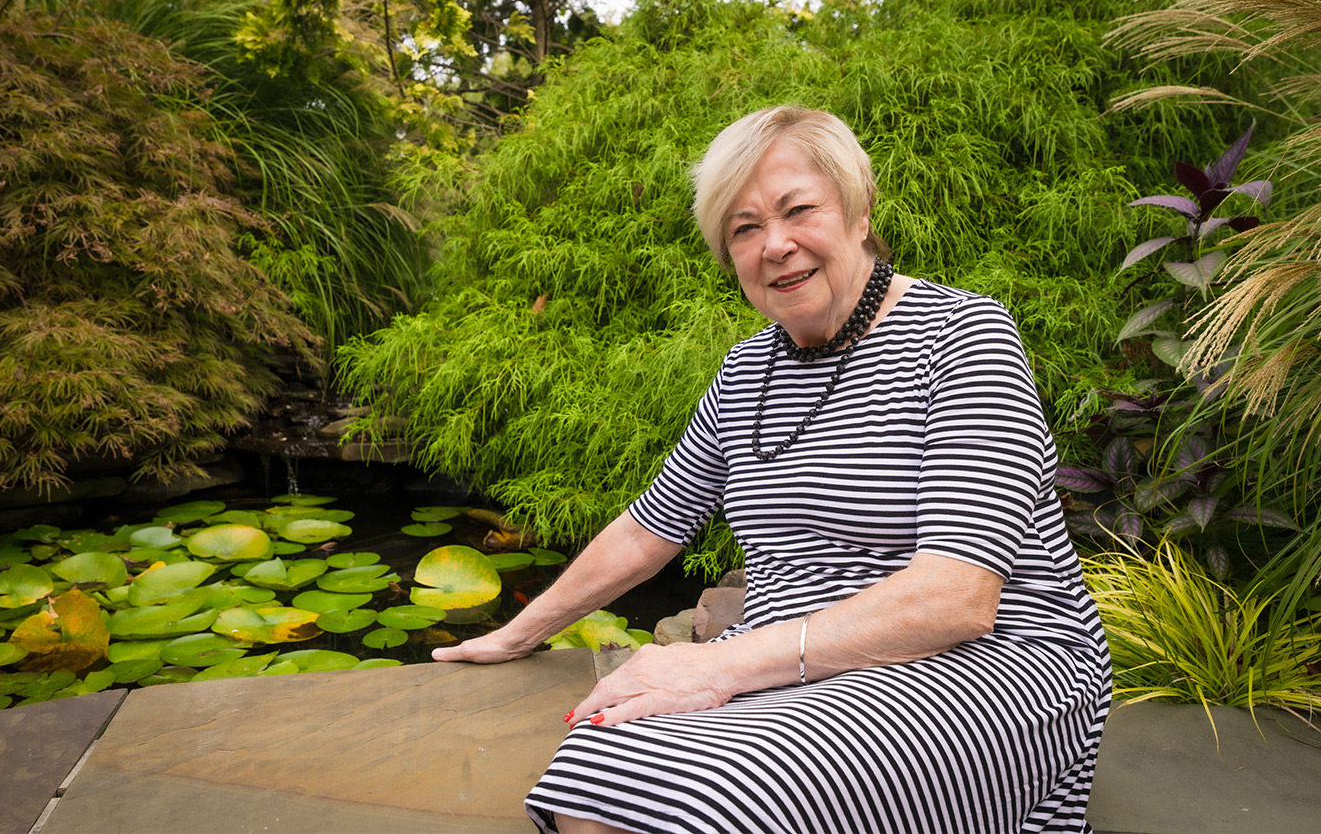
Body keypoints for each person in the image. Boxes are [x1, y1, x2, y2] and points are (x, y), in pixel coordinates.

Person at [433, 106, 1112, 834]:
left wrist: (717, 666)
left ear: (859, 211)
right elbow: (650, 528)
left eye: (798, 210)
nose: (776, 245)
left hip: (983, 667)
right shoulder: (748, 369)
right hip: (794, 672)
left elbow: (957, 597)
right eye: (745, 228)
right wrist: (517, 633)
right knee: (592, 775)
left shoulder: (963, 336)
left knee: (715, 801)